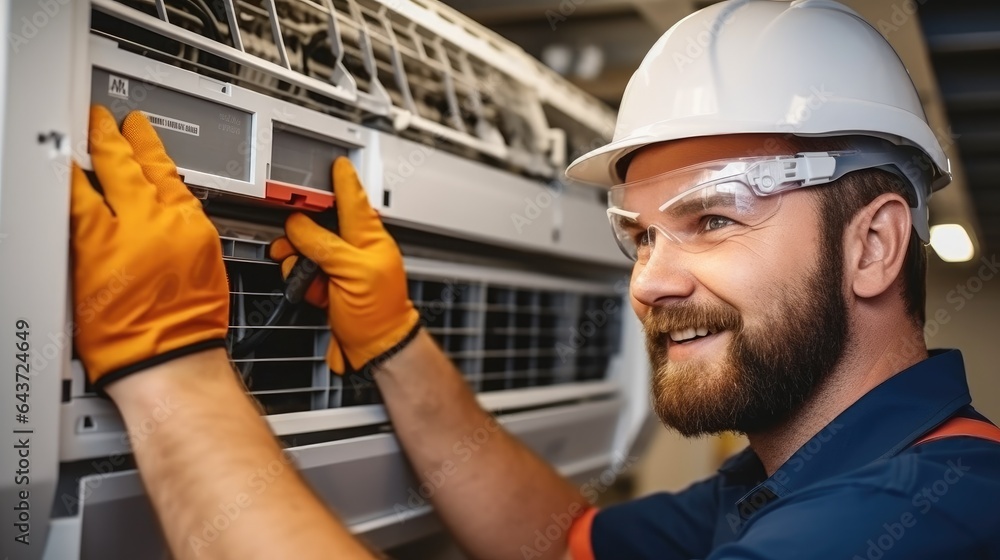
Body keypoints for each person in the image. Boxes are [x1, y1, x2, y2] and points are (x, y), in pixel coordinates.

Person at [69, 1, 1000, 559]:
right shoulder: (782, 482)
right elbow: (560, 543)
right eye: (638, 236)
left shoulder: (926, 514)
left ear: (873, 247)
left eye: (712, 219)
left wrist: (172, 364)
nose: (649, 283)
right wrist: (397, 342)